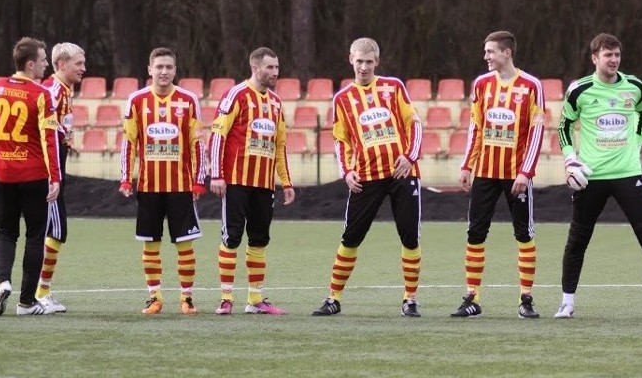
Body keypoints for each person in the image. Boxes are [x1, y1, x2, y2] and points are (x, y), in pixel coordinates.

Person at [554, 33, 642, 320]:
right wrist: (570, 159)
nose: (614, 60)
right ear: (595, 58)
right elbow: (564, 126)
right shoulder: (579, 90)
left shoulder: (635, 87)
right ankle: (566, 303)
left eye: (617, 55)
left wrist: (636, 146)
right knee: (578, 240)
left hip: (628, 174)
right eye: (608, 55)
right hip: (590, 177)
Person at [311, 37, 423, 317]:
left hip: (402, 173)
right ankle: (333, 298)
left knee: (410, 238)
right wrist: (346, 172)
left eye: (369, 61)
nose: (363, 67)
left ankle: (410, 300)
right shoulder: (342, 99)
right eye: (359, 61)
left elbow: (415, 123)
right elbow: (340, 141)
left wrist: (410, 156)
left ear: (377, 62)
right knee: (350, 238)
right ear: (350, 59)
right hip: (366, 176)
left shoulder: (394, 87)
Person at [450, 30, 545, 318]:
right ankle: (472, 298)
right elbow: (475, 128)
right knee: (475, 233)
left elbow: (537, 131)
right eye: (485, 51)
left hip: (516, 175)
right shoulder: (481, 84)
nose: (486, 56)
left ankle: (526, 299)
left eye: (490, 51)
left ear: (507, 53)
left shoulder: (531, 85)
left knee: (524, 234)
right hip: (485, 173)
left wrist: (525, 172)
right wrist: (467, 165)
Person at [0, 37, 62, 316]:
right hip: (34, 173)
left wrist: (1, 148)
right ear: (30, 64)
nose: (47, 64)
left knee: (6, 231)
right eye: (44, 59)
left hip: (4, 172)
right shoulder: (41, 94)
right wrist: (56, 177)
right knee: (36, 235)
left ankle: (3, 282)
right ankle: (26, 302)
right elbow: (50, 140)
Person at [208, 47, 295, 315]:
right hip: (235, 180)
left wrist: (286, 182)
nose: (275, 73)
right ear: (255, 68)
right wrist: (217, 174)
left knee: (259, 239)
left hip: (263, 184)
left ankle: (255, 301)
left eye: (277, 68)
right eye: (270, 68)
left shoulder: (277, 103)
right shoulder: (236, 95)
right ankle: (226, 298)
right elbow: (218, 135)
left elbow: (280, 145)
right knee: (232, 237)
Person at [119, 47, 207, 315]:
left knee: (185, 244)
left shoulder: (188, 100)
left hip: (181, 187)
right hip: (149, 186)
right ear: (150, 70)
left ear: (175, 70)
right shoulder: (136, 101)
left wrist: (198, 180)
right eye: (159, 67)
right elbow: (129, 142)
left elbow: (197, 144)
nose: (164, 71)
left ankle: (187, 298)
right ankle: (154, 297)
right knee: (150, 243)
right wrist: (126, 178)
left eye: (169, 67)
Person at [35, 42, 86, 313]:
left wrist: (67, 140)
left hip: (54, 167)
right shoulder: (53, 92)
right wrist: (53, 174)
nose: (83, 68)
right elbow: (44, 134)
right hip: (48, 172)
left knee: (52, 231)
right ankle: (40, 293)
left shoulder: (64, 90)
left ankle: (40, 291)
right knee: (55, 230)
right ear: (61, 64)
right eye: (78, 63)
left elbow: (57, 129)